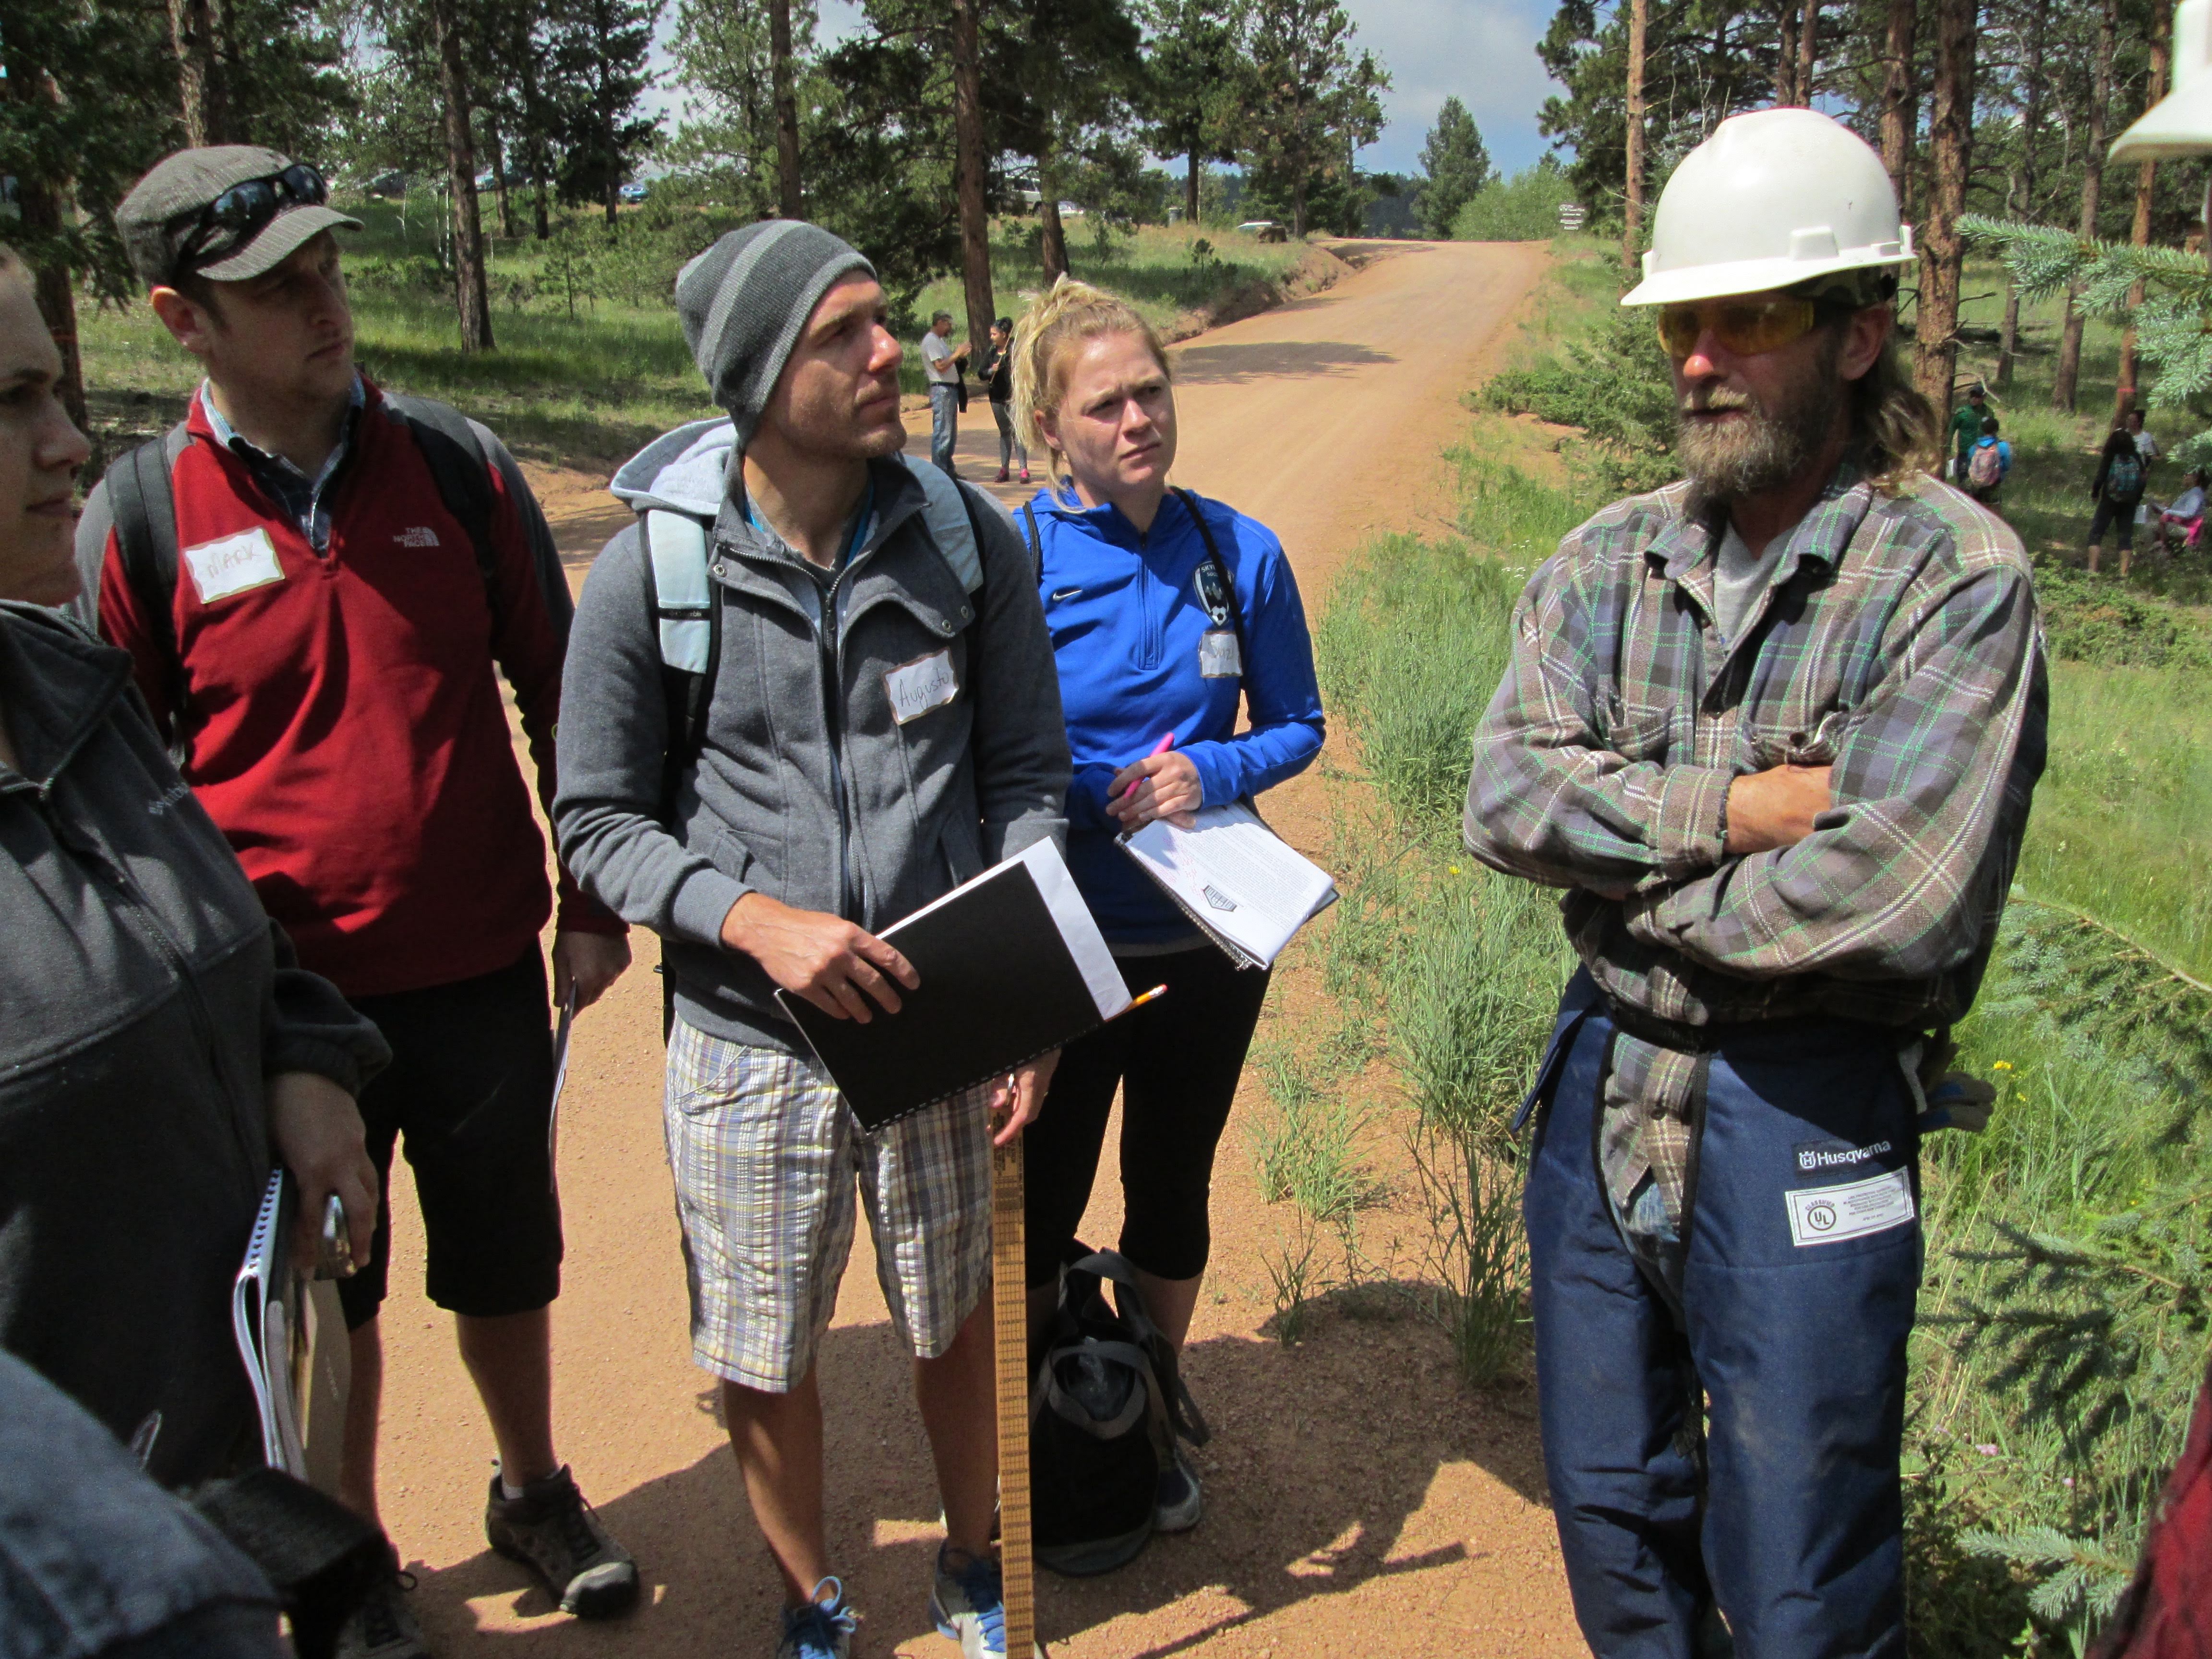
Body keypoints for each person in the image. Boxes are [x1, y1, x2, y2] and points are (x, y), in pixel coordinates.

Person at [1463, 108, 2045, 1656]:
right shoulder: (1603, 563)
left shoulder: (1950, 579)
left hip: (1812, 1098)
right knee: (1610, 1511)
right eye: (1681, 324)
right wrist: (1731, 807)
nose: (1699, 359)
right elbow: (1505, 792)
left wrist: (1625, 881)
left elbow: (1897, 893)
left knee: (1801, 1563)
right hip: (1600, 1085)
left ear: (1859, 337)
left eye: (1747, 321)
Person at [73, 146, 638, 1656]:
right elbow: (114, 785)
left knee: (510, 1249)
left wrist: (590, 893)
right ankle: (357, 1558)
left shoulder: (453, 465)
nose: (326, 304)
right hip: (279, 1016)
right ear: (181, 316)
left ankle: (531, 1490)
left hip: (476, 966)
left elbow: (563, 685)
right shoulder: (139, 519)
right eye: (277, 288)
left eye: (328, 268)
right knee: (333, 1288)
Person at [553, 221, 1071, 1659]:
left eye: (882, 321)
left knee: (953, 1315)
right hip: (745, 1041)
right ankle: (810, 1601)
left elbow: (1026, 771)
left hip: (939, 1014)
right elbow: (595, 822)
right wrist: (753, 920)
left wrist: (1025, 986)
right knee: (764, 1348)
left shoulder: (968, 540)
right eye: (845, 333)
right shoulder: (646, 575)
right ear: (760, 370)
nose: (890, 351)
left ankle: (972, 1566)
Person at [0, 237, 388, 1493]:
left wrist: (297, 1052)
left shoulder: (70, 689)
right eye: (13, 405)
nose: (69, 442)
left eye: (55, 391)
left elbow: (213, 927)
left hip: (219, 1487)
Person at [1007, 278, 1324, 1534]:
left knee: (1173, 1186)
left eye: (1152, 392)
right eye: (1106, 403)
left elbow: (1297, 724)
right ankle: (1042, 1425)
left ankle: (1139, 1415)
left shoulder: (1237, 551)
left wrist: (1214, 769)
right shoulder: (1015, 559)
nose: (1138, 418)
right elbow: (991, 753)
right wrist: (1095, 792)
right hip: (1065, 943)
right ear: (1049, 427)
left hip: (1209, 938)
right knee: (1037, 1201)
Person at [2088, 415, 2150, 576]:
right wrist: (2137, 498)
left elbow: (2100, 478)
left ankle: (2093, 570)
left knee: (2097, 533)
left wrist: (2095, 494)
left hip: (2109, 499)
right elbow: (2143, 479)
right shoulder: (2136, 457)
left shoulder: (2110, 457)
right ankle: (2124, 573)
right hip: (2129, 502)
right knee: (2125, 536)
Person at [978, 316, 1029, 484]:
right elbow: (981, 373)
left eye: (995, 334)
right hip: (997, 397)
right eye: (991, 334)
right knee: (1004, 433)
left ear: (1005, 335)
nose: (992, 337)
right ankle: (1004, 469)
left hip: (1014, 396)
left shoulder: (1016, 349)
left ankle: (1023, 470)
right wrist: (990, 371)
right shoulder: (992, 352)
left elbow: (1026, 368)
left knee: (1018, 433)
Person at [922, 309, 971, 477]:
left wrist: (959, 357)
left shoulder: (939, 341)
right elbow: (941, 366)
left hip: (950, 390)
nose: (950, 327)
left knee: (950, 431)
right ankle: (940, 471)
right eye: (948, 324)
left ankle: (948, 468)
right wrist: (956, 354)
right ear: (940, 322)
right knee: (943, 431)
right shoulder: (931, 342)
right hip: (942, 389)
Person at [1964, 412, 2011, 510]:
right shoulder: (2002, 446)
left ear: (1982, 429)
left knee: (1977, 509)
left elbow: (1969, 465)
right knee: (1994, 511)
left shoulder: (1974, 447)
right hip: (1994, 484)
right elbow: (2007, 466)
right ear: (1996, 430)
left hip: (1976, 484)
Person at [2156, 467, 2207, 555]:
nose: (2185, 477)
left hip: (2187, 528)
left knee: (2150, 527)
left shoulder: (2196, 493)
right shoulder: (2192, 492)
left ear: (2196, 478)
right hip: (2181, 523)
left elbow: (2190, 514)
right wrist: (2167, 509)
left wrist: (2169, 512)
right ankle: (2161, 552)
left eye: (2187, 475)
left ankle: (2159, 553)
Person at [1946, 381, 1986, 483]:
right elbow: (1951, 430)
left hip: (1982, 453)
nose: (1973, 398)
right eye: (1972, 396)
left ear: (1983, 398)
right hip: (1965, 453)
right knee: (1963, 480)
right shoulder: (1962, 413)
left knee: (1979, 482)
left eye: (1977, 396)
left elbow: (1992, 431)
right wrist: (1948, 450)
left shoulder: (1988, 412)